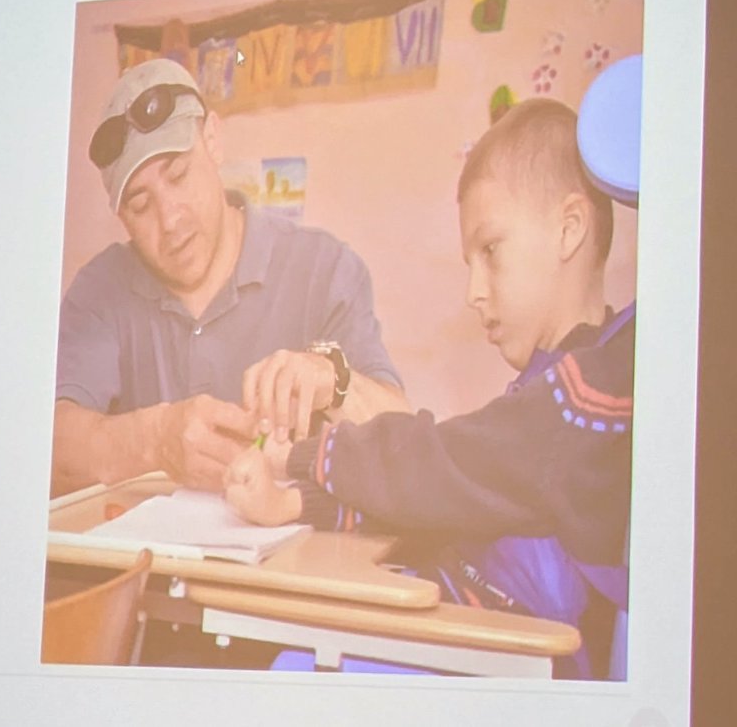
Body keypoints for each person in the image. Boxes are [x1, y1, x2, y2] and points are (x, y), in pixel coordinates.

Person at [224, 98, 633, 679]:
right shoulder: (548, 391)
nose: (474, 290)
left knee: (295, 674)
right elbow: (454, 501)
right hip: (480, 645)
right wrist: (293, 502)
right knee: (294, 663)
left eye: (490, 251)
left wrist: (300, 459)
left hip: (531, 679)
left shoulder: (596, 389)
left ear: (569, 230)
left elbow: (448, 463)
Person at [52, 58, 407, 497]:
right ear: (120, 216)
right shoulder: (100, 292)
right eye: (141, 206)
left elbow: (406, 443)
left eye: (179, 176)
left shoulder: (324, 268)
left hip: (287, 565)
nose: (170, 220)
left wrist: (332, 383)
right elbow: (49, 452)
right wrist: (154, 439)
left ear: (213, 140)